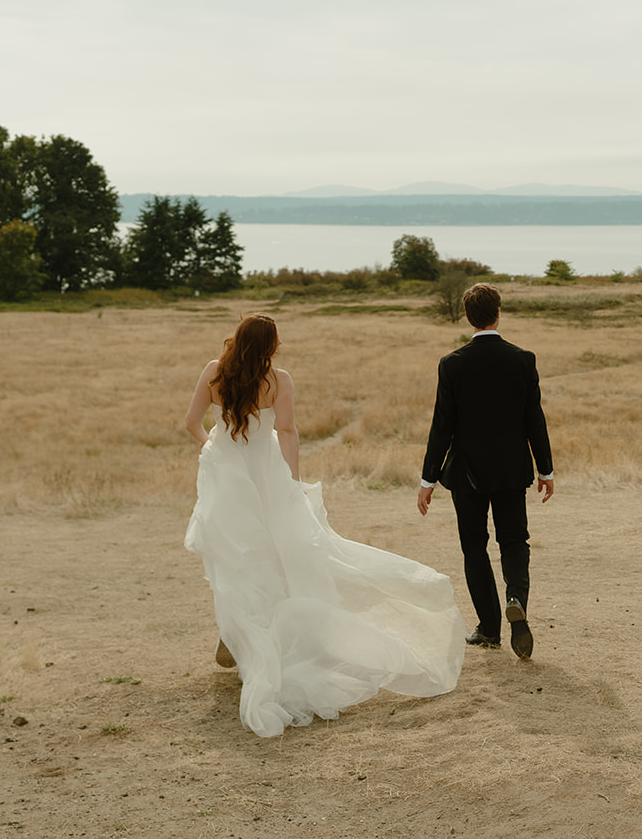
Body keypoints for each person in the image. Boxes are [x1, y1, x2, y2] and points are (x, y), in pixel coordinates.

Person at [183, 313, 465, 737]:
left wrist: (216, 452)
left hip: (228, 483)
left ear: (237, 338)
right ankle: (252, 635)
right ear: (272, 345)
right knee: (283, 554)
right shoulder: (278, 379)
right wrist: (291, 482)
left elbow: (190, 424)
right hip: (268, 476)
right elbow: (289, 431)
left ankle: (238, 631)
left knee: (235, 559)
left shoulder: (213, 372)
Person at [418, 283, 554, 660]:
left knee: (474, 547)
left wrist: (428, 479)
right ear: (498, 312)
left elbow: (442, 425)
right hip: (512, 469)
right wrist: (546, 469)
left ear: (467, 316)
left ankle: (489, 629)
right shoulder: (522, 359)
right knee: (514, 540)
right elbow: (534, 420)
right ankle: (516, 598)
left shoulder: (452, 363)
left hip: (467, 474)